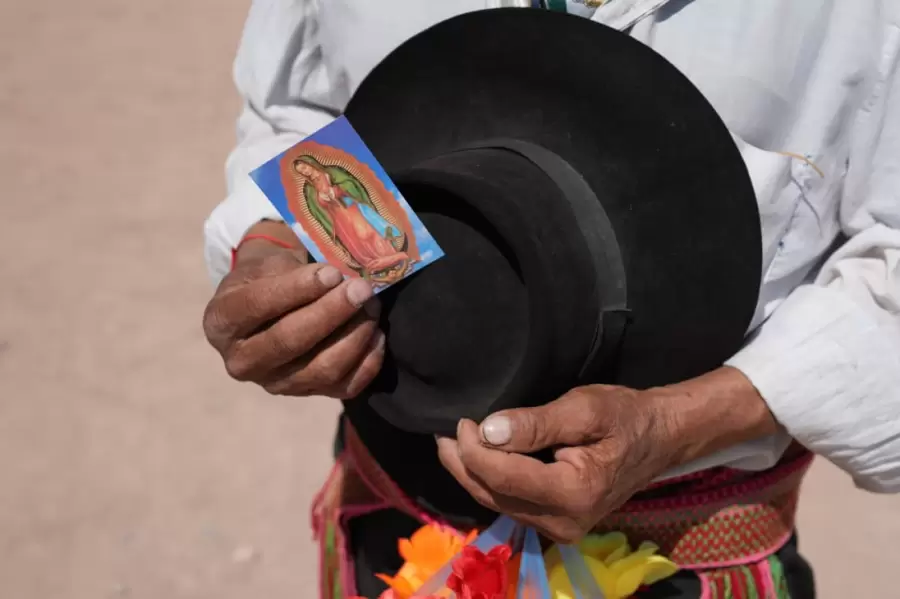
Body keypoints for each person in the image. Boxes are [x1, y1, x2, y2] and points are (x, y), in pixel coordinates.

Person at [202, 1, 900, 597]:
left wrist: (676, 425)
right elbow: (300, 106)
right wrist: (272, 245)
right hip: (396, 528)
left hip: (692, 554)